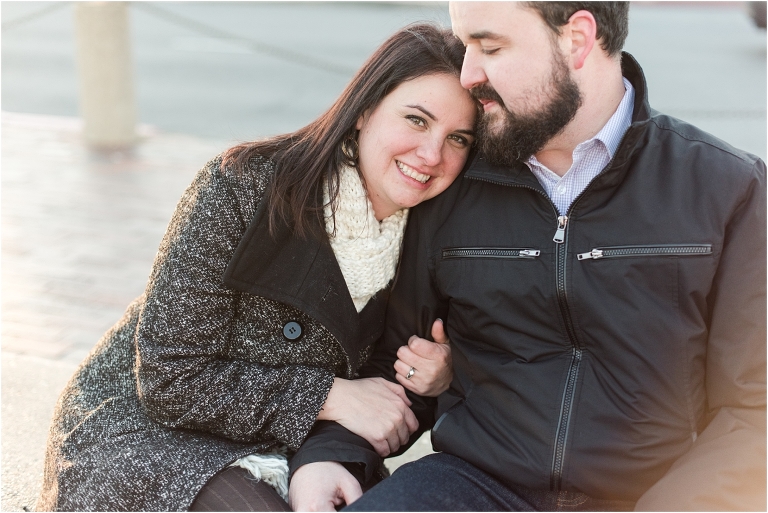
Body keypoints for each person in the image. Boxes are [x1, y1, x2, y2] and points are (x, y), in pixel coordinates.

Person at [288, 2, 767, 511]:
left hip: (655, 495)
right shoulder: (452, 183)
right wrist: (333, 455)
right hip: (469, 487)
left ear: (577, 39)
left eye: (490, 47)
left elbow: (755, 407)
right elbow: (399, 360)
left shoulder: (726, 188)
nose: (468, 74)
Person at [36, 23, 477, 512]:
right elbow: (167, 377)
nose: (432, 154)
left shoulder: (436, 234)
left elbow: (384, 400)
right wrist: (327, 396)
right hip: (149, 429)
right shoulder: (245, 186)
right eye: (417, 120)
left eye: (458, 138)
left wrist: (434, 380)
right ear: (364, 109)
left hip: (301, 444)